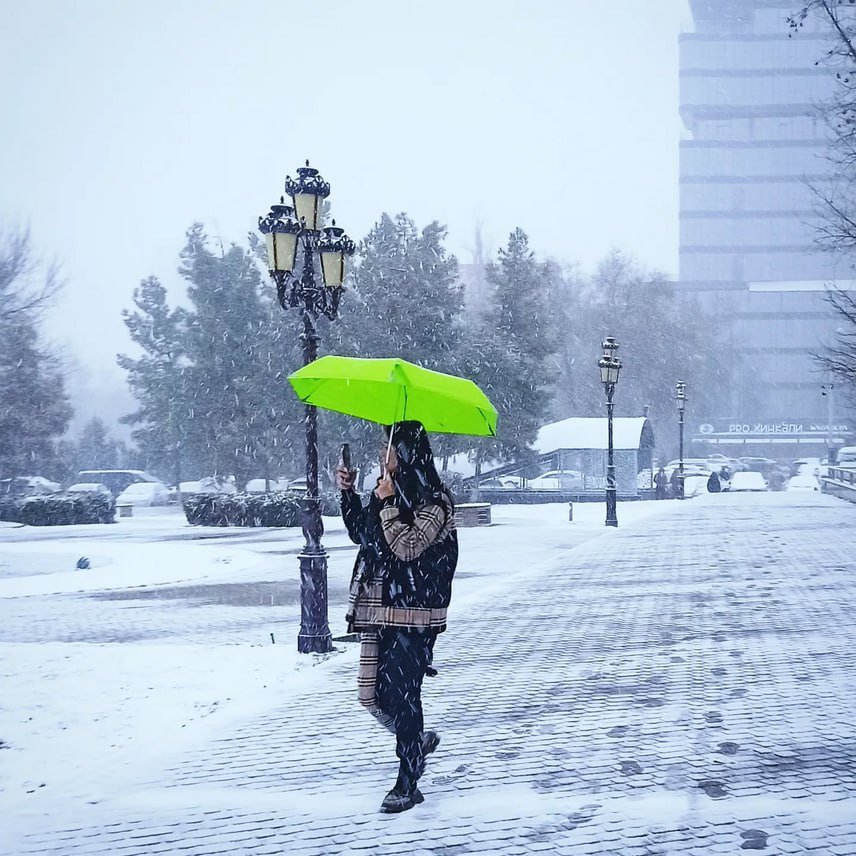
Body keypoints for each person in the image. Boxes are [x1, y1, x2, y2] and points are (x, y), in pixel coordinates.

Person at [336, 421, 458, 814]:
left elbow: (408, 547)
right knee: (372, 696)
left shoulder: (436, 501)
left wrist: (388, 503)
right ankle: (416, 740)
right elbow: (364, 535)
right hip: (380, 609)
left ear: (405, 454)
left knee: (404, 696)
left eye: (388, 449)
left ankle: (408, 780)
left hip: (416, 614)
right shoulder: (387, 491)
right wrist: (349, 493)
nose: (382, 457)